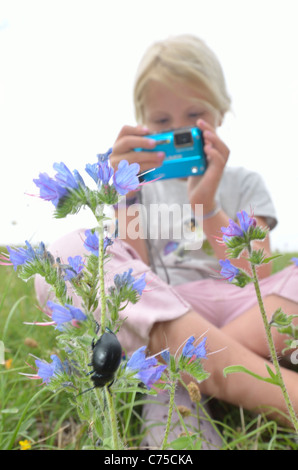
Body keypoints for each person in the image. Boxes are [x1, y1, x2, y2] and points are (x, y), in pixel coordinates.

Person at [35, 34, 298, 448]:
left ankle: (183, 366)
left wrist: (206, 203)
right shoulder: (138, 189)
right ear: (142, 122)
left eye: (194, 113)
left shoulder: (245, 183)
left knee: (164, 361)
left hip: (238, 308)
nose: (178, 130)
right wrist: (120, 191)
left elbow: (259, 275)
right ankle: (275, 391)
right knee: (67, 252)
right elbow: (131, 282)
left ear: (220, 110)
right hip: (167, 308)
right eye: (161, 122)